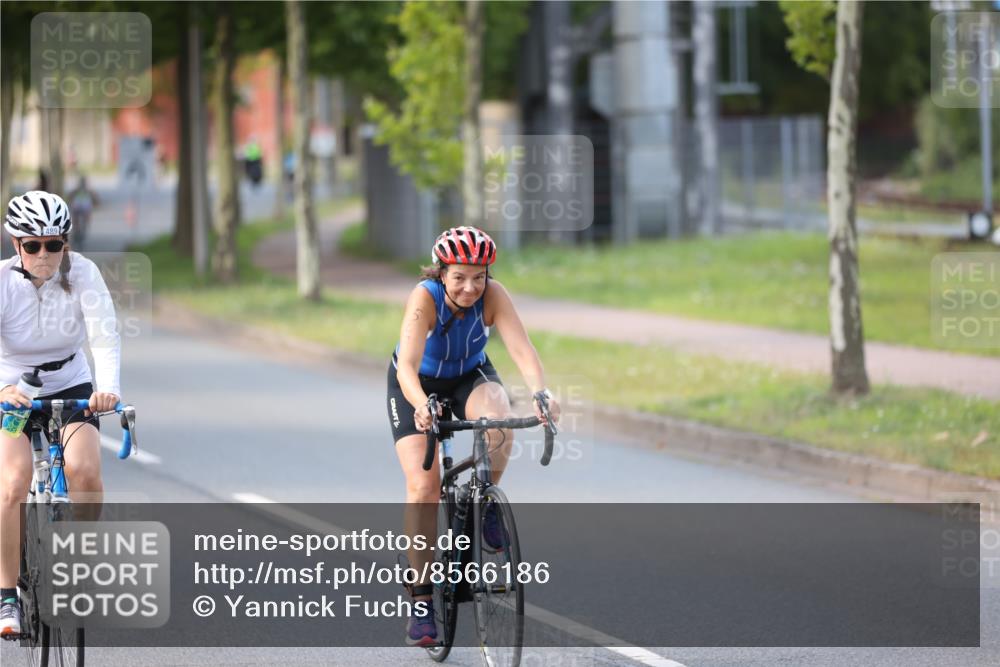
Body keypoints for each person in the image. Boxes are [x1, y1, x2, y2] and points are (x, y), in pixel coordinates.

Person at [387, 226, 560, 646]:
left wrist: (542, 392)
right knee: (423, 487)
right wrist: (424, 406)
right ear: (442, 272)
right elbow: (408, 366)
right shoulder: (424, 297)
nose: (469, 287)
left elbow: (522, 350)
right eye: (459, 276)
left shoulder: (494, 295)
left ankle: (485, 501)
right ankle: (423, 600)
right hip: (416, 384)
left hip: (469, 375)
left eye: (478, 277)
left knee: (498, 418)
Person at [0, 191, 121, 637]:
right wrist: (3, 388)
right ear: (16, 245)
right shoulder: (1, 282)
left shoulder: (83, 273)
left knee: (85, 471)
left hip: (71, 383)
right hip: (12, 393)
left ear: (66, 243)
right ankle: (7, 596)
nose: (44, 255)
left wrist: (108, 390)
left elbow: (105, 335)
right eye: (33, 246)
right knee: (12, 484)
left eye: (54, 244)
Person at [67, 175, 100, 248]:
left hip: (83, 209)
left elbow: (95, 198)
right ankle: (77, 232)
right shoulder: (78, 190)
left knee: (83, 221)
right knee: (77, 221)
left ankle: (80, 231)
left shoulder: (87, 190)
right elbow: (70, 196)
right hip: (78, 208)